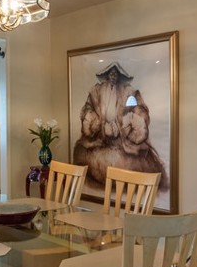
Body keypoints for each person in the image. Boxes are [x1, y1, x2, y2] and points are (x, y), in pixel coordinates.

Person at [72, 62, 168, 190]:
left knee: (134, 164)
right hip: (100, 136)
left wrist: (128, 122)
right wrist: (96, 124)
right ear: (106, 75)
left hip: (122, 137)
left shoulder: (129, 92)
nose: (113, 76)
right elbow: (87, 109)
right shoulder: (96, 91)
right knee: (86, 157)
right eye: (111, 74)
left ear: (119, 76)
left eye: (115, 74)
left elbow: (140, 110)